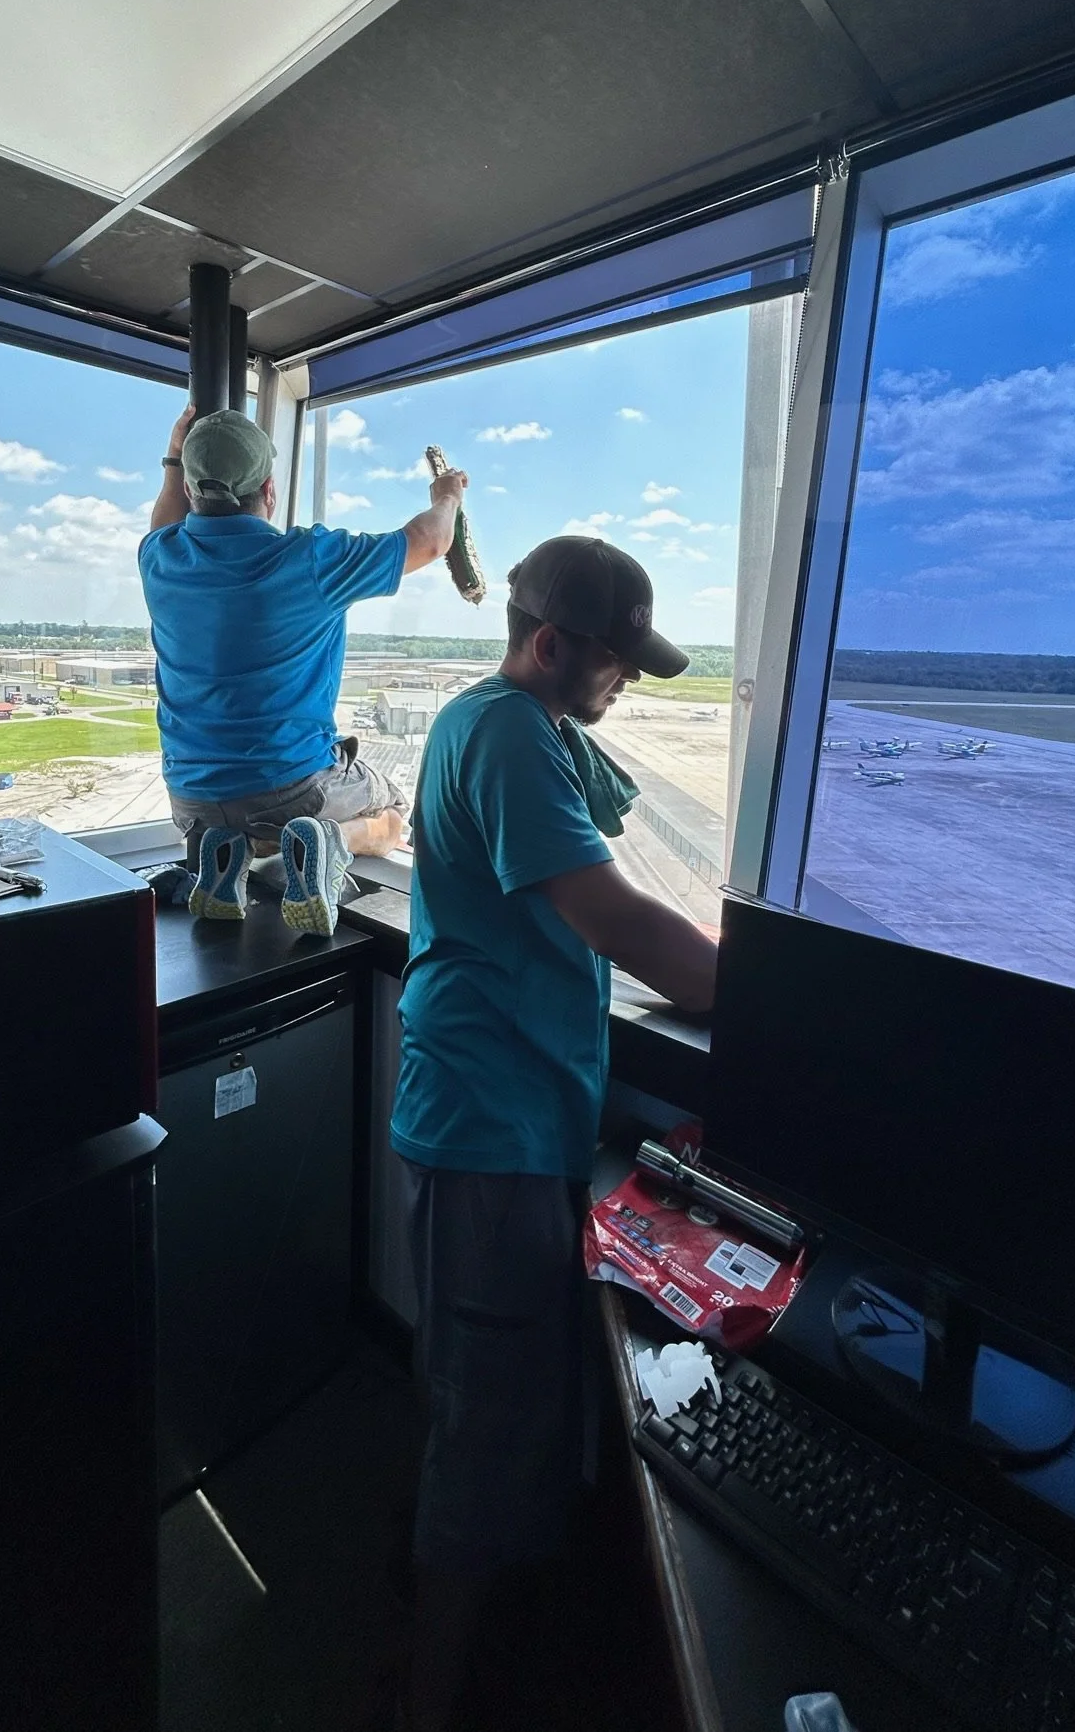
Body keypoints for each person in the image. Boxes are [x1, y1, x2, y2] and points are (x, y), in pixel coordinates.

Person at [390, 534, 720, 1732]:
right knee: (487, 1435)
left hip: (503, 1119)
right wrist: (762, 996)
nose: (625, 681)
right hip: (492, 1128)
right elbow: (609, 913)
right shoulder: (507, 733)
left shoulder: (514, 724)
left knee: (500, 1408)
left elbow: (597, 816)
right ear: (547, 646)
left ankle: (483, 1657)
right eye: (615, 662)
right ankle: (426, 1704)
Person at [139, 404, 466, 934]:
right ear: (269, 491)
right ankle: (331, 841)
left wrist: (177, 454)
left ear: (192, 489)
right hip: (290, 789)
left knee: (247, 821)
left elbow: (166, 513)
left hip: (192, 801)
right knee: (391, 809)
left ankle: (229, 854)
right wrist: (447, 496)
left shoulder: (159, 557)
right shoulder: (312, 559)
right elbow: (430, 541)